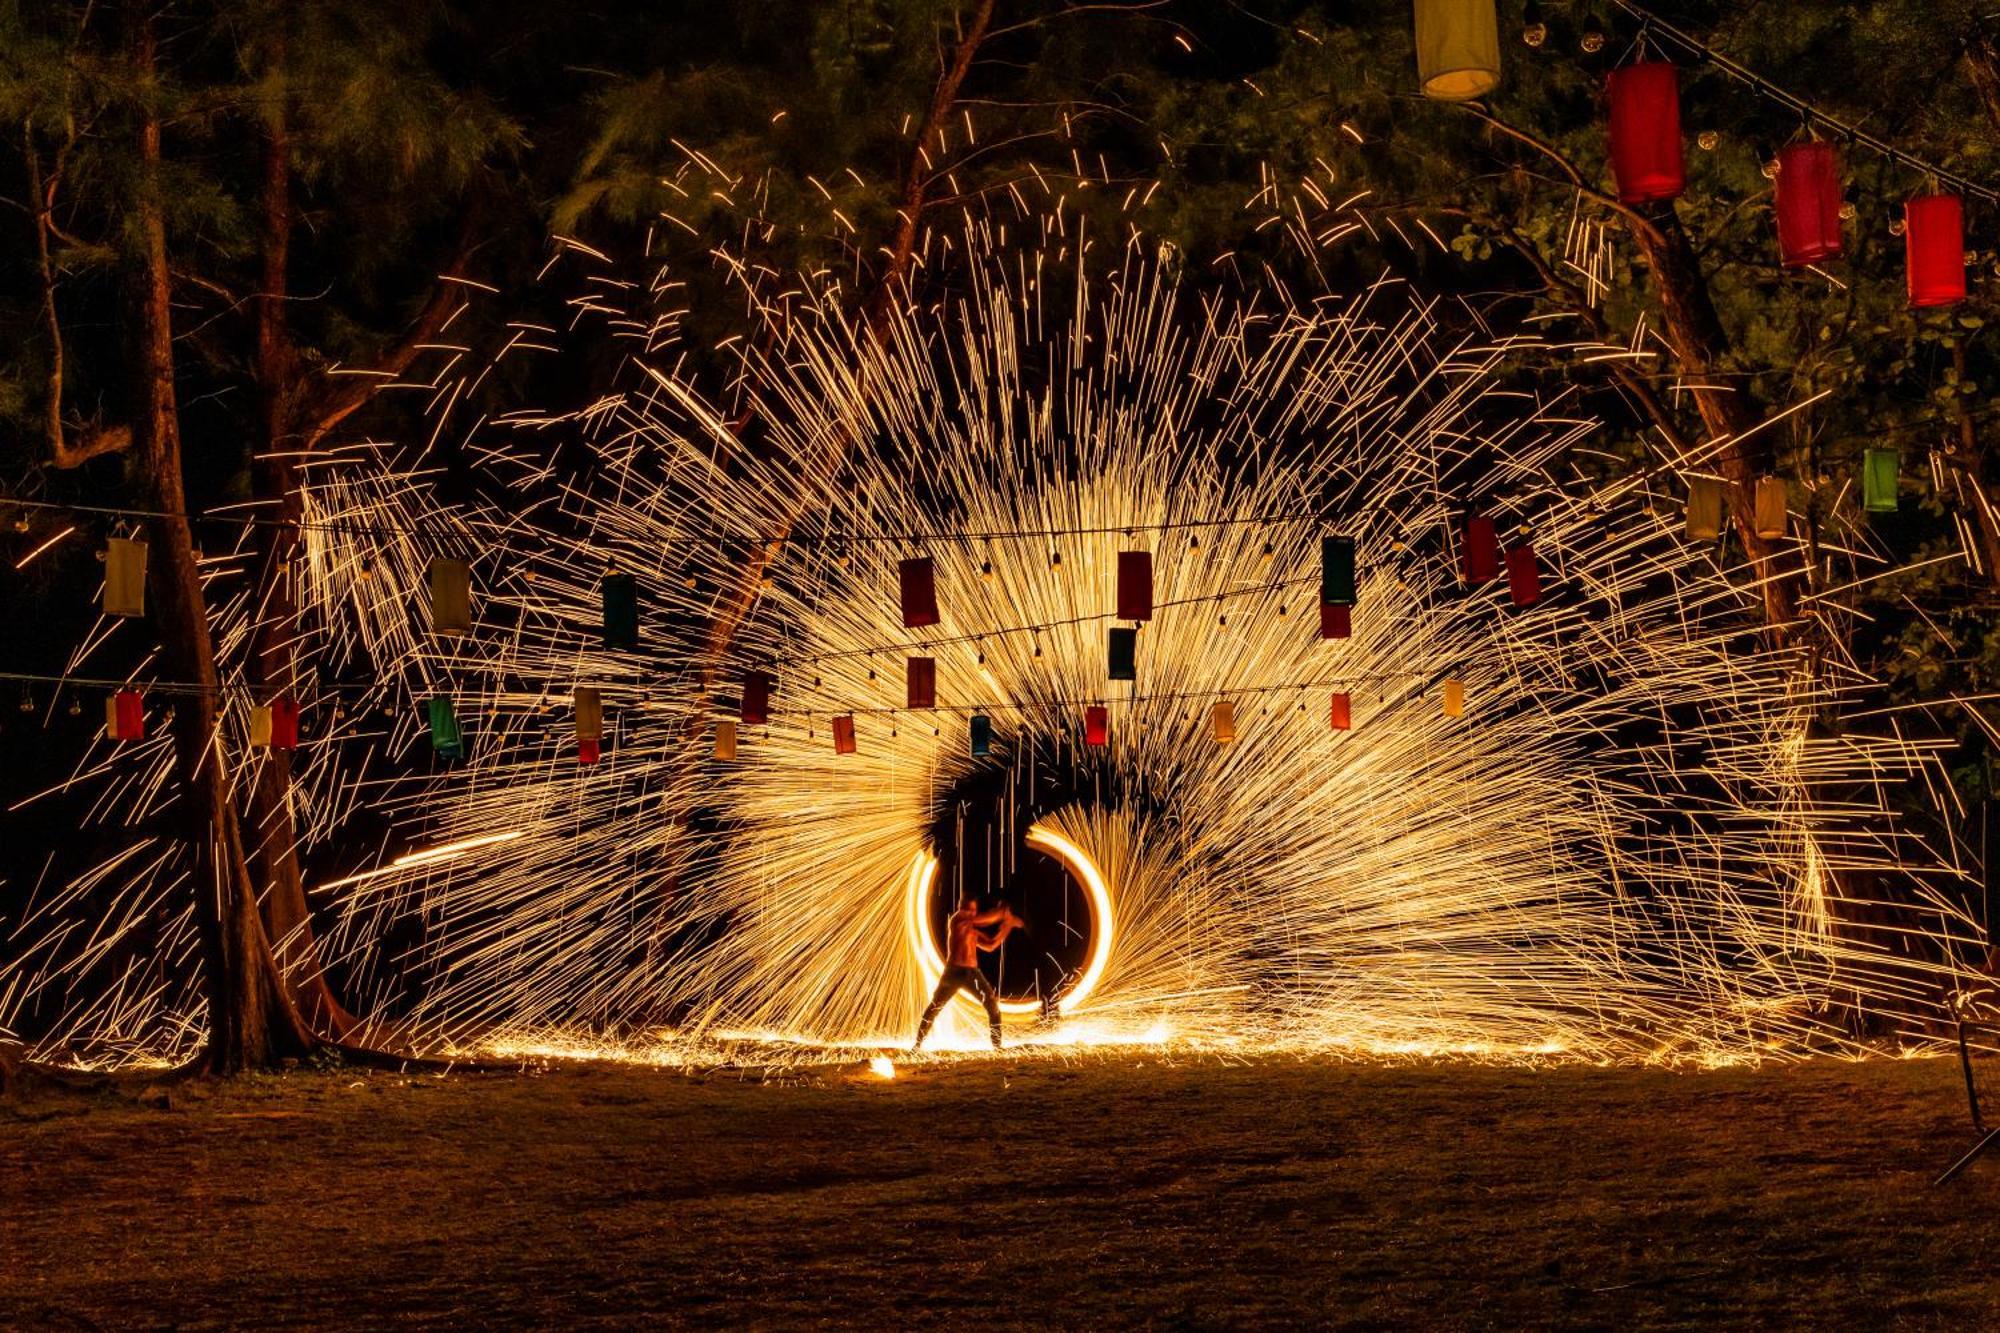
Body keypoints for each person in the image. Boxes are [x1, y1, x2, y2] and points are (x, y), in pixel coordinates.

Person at [913, 896, 1024, 1051]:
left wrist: (1007, 926)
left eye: (973, 910)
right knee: (935, 1006)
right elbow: (985, 919)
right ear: (960, 908)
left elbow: (991, 945)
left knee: (993, 1007)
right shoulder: (956, 921)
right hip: (953, 973)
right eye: (967, 910)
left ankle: (997, 1047)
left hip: (973, 974)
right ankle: (917, 1045)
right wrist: (1002, 913)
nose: (971, 914)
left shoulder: (972, 929)